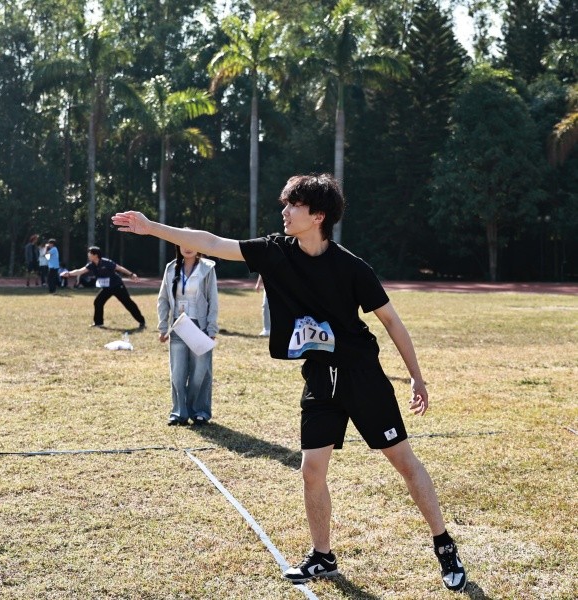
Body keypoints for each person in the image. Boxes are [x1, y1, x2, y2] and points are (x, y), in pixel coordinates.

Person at [112, 173, 467, 593]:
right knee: (311, 470)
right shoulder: (274, 251)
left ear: (318, 216)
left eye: (293, 205)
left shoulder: (352, 268)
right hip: (319, 378)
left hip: (361, 377)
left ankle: (444, 546)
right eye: (285, 204)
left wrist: (417, 378)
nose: (284, 211)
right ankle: (323, 555)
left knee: (404, 462)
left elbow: (391, 321)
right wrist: (151, 227)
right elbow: (211, 242)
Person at [158, 243, 218, 426]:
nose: (188, 247)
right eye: (183, 243)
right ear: (178, 246)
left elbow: (213, 299)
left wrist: (211, 328)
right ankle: (179, 413)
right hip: (178, 325)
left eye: (192, 243)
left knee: (201, 372)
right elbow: (163, 299)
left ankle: (200, 411)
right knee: (177, 372)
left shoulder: (207, 268)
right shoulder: (171, 268)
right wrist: (163, 327)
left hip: (200, 326)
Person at [60, 246, 146, 330]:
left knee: (128, 303)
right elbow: (80, 271)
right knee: (98, 302)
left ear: (95, 255)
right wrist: (69, 274)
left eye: (90, 253)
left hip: (117, 286)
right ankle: (98, 323)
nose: (88, 255)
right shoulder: (91, 265)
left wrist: (131, 274)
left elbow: (119, 268)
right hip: (107, 288)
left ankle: (141, 321)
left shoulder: (106, 262)